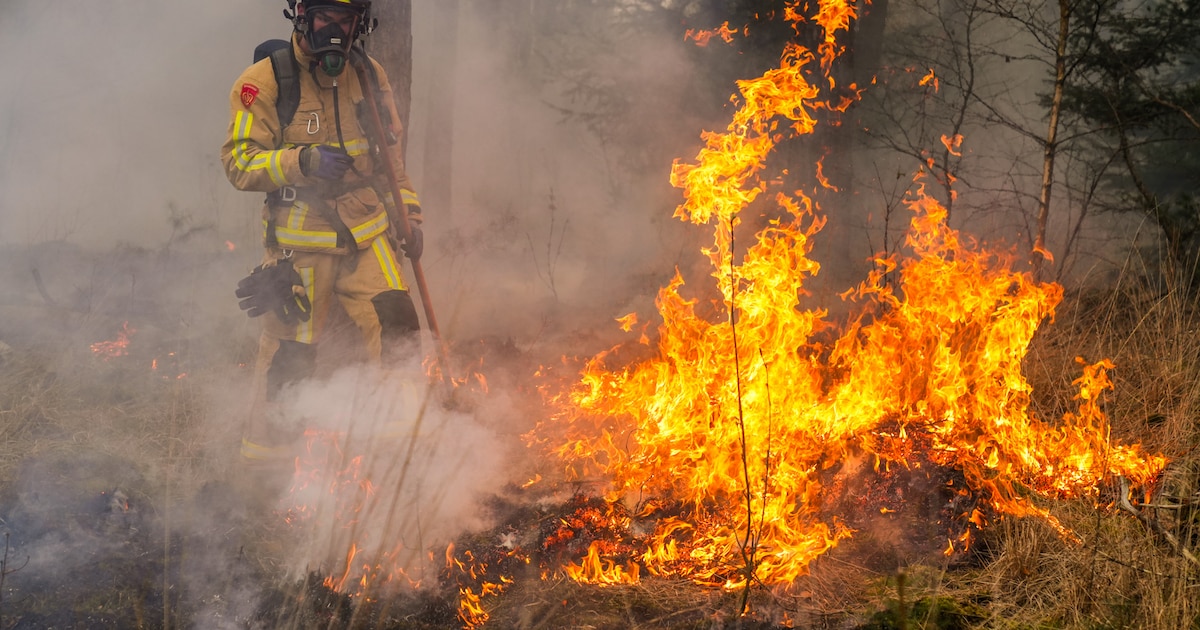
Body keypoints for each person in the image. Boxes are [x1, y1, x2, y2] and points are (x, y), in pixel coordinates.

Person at [220, 0, 425, 460]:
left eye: (344, 20)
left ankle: (404, 448)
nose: (334, 30)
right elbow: (239, 163)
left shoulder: (370, 76)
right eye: (323, 17)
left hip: (366, 233)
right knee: (290, 352)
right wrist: (300, 162)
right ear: (300, 16)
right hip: (299, 243)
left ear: (361, 23)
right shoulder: (263, 82)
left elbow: (392, 165)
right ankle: (266, 463)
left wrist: (409, 216)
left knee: (398, 326)